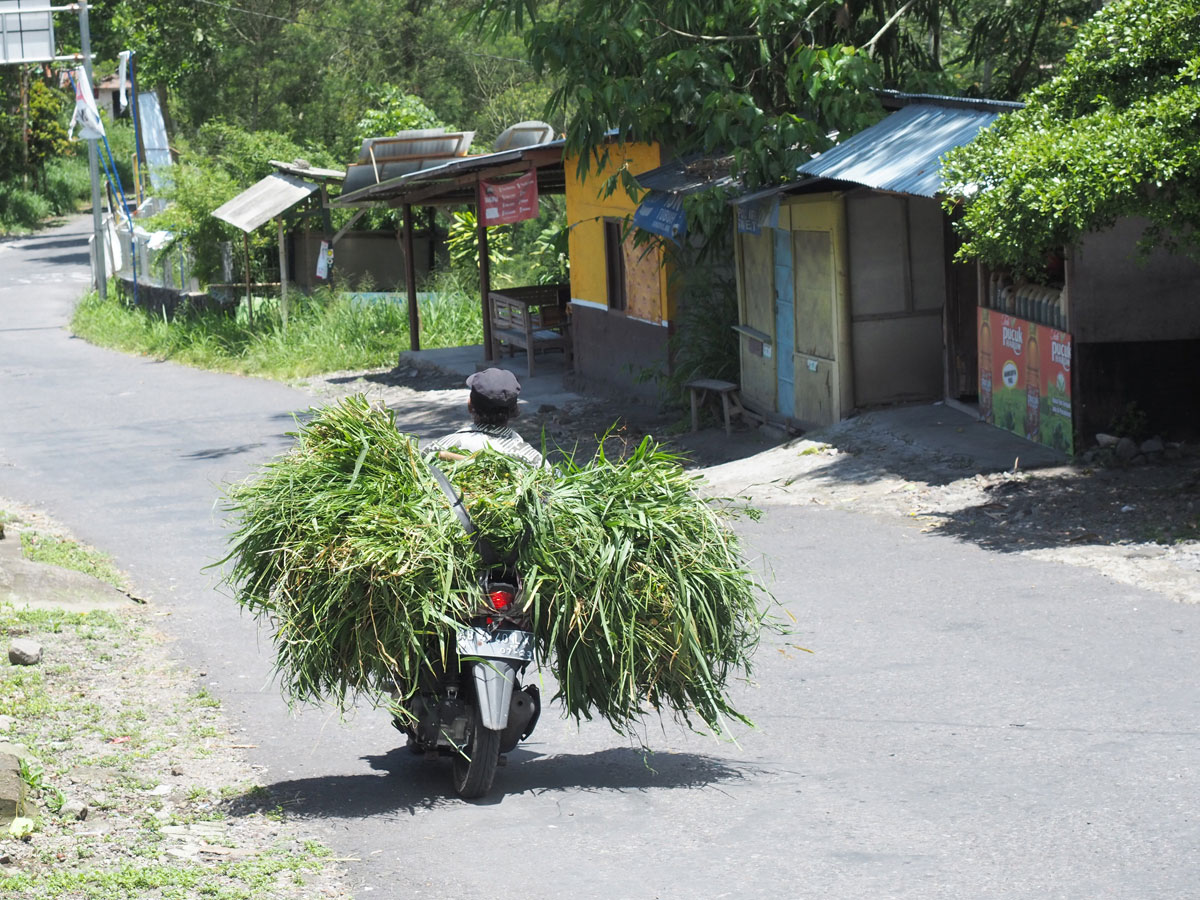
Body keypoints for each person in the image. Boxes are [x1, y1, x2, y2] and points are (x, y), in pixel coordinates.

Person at [425, 367, 546, 468]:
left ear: (470, 406)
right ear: (514, 409)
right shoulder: (530, 458)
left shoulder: (439, 448)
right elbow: (554, 482)